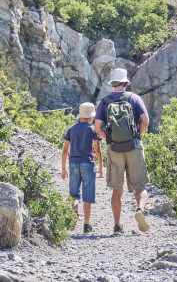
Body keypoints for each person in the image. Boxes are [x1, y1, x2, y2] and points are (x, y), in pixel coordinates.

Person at [94, 68, 151, 235]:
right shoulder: (134, 98)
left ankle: (118, 226)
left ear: (111, 84)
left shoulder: (104, 102)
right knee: (139, 186)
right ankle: (140, 210)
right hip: (134, 147)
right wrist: (137, 136)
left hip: (114, 149)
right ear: (126, 83)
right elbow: (145, 121)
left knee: (117, 190)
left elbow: (97, 128)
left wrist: (109, 139)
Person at [61, 102, 103, 234]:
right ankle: (86, 225)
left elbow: (65, 150)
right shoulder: (92, 129)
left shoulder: (72, 129)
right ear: (91, 117)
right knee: (87, 196)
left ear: (80, 116)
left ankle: (74, 216)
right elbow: (97, 149)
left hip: (73, 163)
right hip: (88, 164)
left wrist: (63, 168)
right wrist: (101, 166)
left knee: (74, 195)